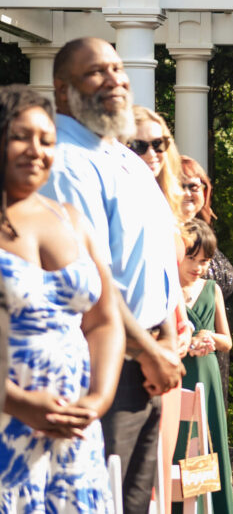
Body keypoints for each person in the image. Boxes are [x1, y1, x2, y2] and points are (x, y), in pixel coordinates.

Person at [40, 38, 184, 514]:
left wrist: (164, 341)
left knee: (136, 501)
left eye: (119, 69)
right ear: (63, 91)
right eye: (96, 72)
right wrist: (150, 352)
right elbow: (94, 280)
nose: (116, 80)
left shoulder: (121, 155)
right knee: (102, 501)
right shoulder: (65, 161)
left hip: (146, 360)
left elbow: (157, 258)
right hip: (102, 367)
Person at [0, 84, 125, 512]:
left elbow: (104, 320)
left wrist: (97, 400)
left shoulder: (69, 218)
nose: (36, 150)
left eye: (47, 139)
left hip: (75, 439)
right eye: (21, 136)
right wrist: (16, 401)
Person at [129, 104, 193, 514]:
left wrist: (180, 328)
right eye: (140, 145)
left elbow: (169, 288)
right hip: (137, 350)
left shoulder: (166, 206)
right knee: (136, 484)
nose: (153, 153)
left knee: (161, 478)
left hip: (172, 349)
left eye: (160, 143)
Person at [173, 219, 233, 514]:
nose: (198, 266)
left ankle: (206, 508)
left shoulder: (212, 289)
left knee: (205, 445)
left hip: (207, 378)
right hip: (178, 373)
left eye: (204, 261)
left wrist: (210, 337)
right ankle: (177, 507)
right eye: (191, 258)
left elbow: (228, 341)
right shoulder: (166, 286)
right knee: (179, 445)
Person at [180, 155, 233, 405]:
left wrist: (210, 339)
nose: (190, 191)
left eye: (196, 185)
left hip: (212, 360)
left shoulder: (206, 230)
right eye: (181, 184)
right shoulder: (160, 235)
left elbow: (226, 338)